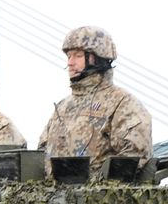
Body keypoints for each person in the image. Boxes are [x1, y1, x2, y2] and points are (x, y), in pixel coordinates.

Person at [37, 26, 152, 179]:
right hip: (53, 199)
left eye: (77, 56)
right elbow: (40, 155)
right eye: (69, 56)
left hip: (99, 199)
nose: (70, 63)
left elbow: (133, 156)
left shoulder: (122, 103)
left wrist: (93, 185)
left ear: (97, 58)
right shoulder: (62, 107)